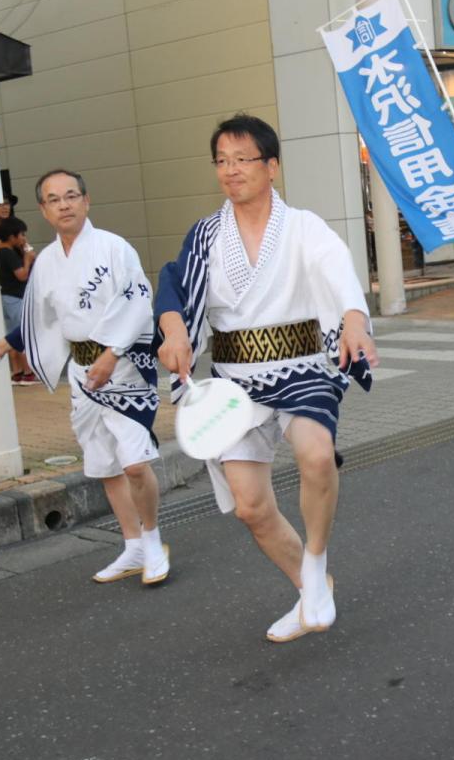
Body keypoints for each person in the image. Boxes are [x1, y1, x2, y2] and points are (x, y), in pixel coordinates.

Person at [154, 114, 377, 642]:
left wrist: (352, 318)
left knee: (317, 453)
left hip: (301, 366)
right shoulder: (207, 234)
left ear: (271, 166)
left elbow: (337, 271)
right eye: (222, 162)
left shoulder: (303, 226)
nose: (231, 171)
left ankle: (317, 567)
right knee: (251, 507)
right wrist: (172, 331)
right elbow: (174, 287)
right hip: (233, 379)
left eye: (243, 160)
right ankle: (309, 588)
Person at [0, 169, 168, 585]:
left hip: (125, 365)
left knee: (135, 463)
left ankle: (152, 539)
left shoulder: (115, 248)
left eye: (71, 196)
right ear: (44, 210)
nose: (64, 204)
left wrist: (111, 353)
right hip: (83, 372)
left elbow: (139, 304)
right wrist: (4, 345)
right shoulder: (45, 262)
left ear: (86, 201)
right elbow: (38, 319)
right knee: (105, 465)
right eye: (53, 199)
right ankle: (132, 544)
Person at [0, 216, 38, 385]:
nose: (24, 238)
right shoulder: (8, 253)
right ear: (11, 236)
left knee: (11, 335)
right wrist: (27, 260)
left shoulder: (1, 251)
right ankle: (28, 372)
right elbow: (22, 275)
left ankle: (17, 372)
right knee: (22, 334)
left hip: (7, 297)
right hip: (15, 298)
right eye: (21, 234)